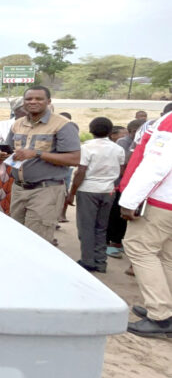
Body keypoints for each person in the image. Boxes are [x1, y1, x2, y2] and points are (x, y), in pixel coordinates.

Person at [118, 109, 172, 337]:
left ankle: (160, 315)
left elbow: (157, 165)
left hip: (161, 201)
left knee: (140, 248)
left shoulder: (169, 122)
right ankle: (166, 308)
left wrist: (130, 200)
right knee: (168, 255)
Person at [5, 86, 81, 243]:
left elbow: (74, 159)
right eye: (29, 99)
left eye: (38, 99)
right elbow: (11, 149)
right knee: (16, 236)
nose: (33, 102)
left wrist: (37, 153)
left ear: (48, 101)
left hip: (46, 190)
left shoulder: (63, 125)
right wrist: (7, 154)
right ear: (23, 102)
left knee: (37, 241)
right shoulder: (17, 124)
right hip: (19, 188)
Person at [65, 117, 124, 274]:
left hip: (88, 190)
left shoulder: (87, 147)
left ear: (90, 130)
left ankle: (87, 260)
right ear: (111, 132)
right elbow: (122, 169)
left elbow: (81, 171)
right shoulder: (117, 148)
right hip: (108, 191)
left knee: (86, 227)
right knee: (101, 227)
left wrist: (72, 193)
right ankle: (100, 262)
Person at [106, 118, 146, 258]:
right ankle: (112, 242)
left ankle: (118, 241)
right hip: (120, 185)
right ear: (133, 132)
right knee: (116, 215)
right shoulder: (124, 143)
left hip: (131, 185)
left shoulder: (138, 142)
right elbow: (124, 166)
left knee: (125, 217)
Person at [0, 98, 27, 215]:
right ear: (16, 110)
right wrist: (1, 152)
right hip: (7, 169)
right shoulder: (3, 125)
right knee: (4, 204)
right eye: (24, 108)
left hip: (29, 168)